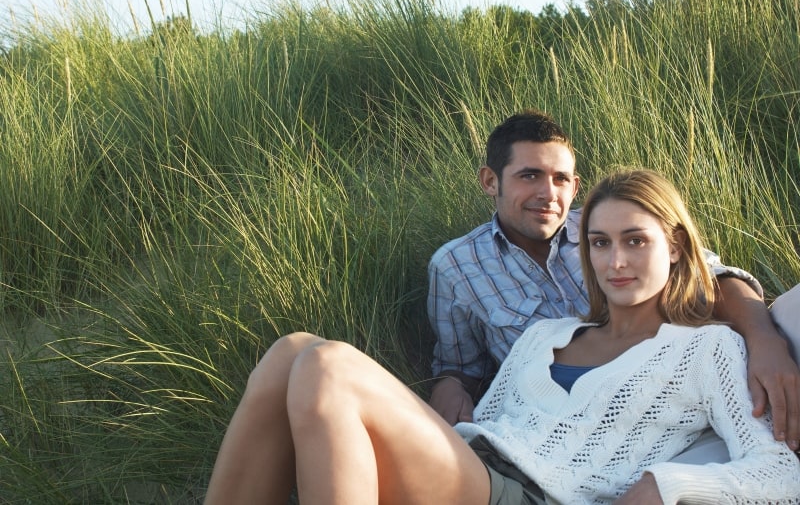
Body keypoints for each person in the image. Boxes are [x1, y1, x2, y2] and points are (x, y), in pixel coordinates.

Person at [204, 169, 800, 504]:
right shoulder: (545, 335)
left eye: (635, 240)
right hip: (470, 464)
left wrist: (663, 485)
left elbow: (780, 474)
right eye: (599, 242)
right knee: (292, 351)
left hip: (532, 495)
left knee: (329, 365)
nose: (616, 260)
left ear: (673, 245)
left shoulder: (707, 348)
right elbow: (482, 430)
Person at [427, 110, 800, 456]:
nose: (547, 193)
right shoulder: (456, 267)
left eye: (560, 179)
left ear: (575, 187)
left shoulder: (608, 222)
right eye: (530, 176)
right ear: (490, 181)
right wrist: (449, 383)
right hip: (575, 428)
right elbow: (462, 365)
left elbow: (712, 276)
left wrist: (766, 340)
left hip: (676, 394)